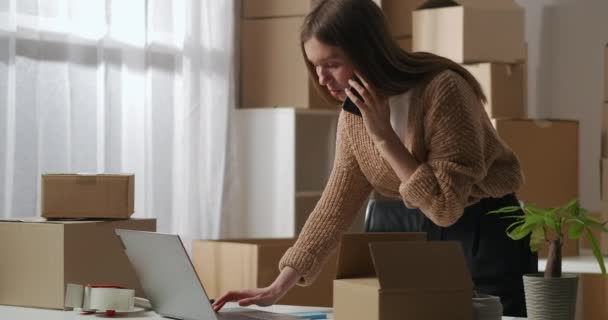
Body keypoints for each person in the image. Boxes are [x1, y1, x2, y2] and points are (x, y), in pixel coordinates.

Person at [212, 0, 537, 316]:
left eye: (332, 64)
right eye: (315, 66)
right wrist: (277, 286)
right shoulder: (353, 116)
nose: (322, 78)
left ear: (367, 52)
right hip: (432, 233)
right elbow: (335, 204)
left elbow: (445, 206)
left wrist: (383, 136)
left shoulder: (443, 90)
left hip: (491, 231)